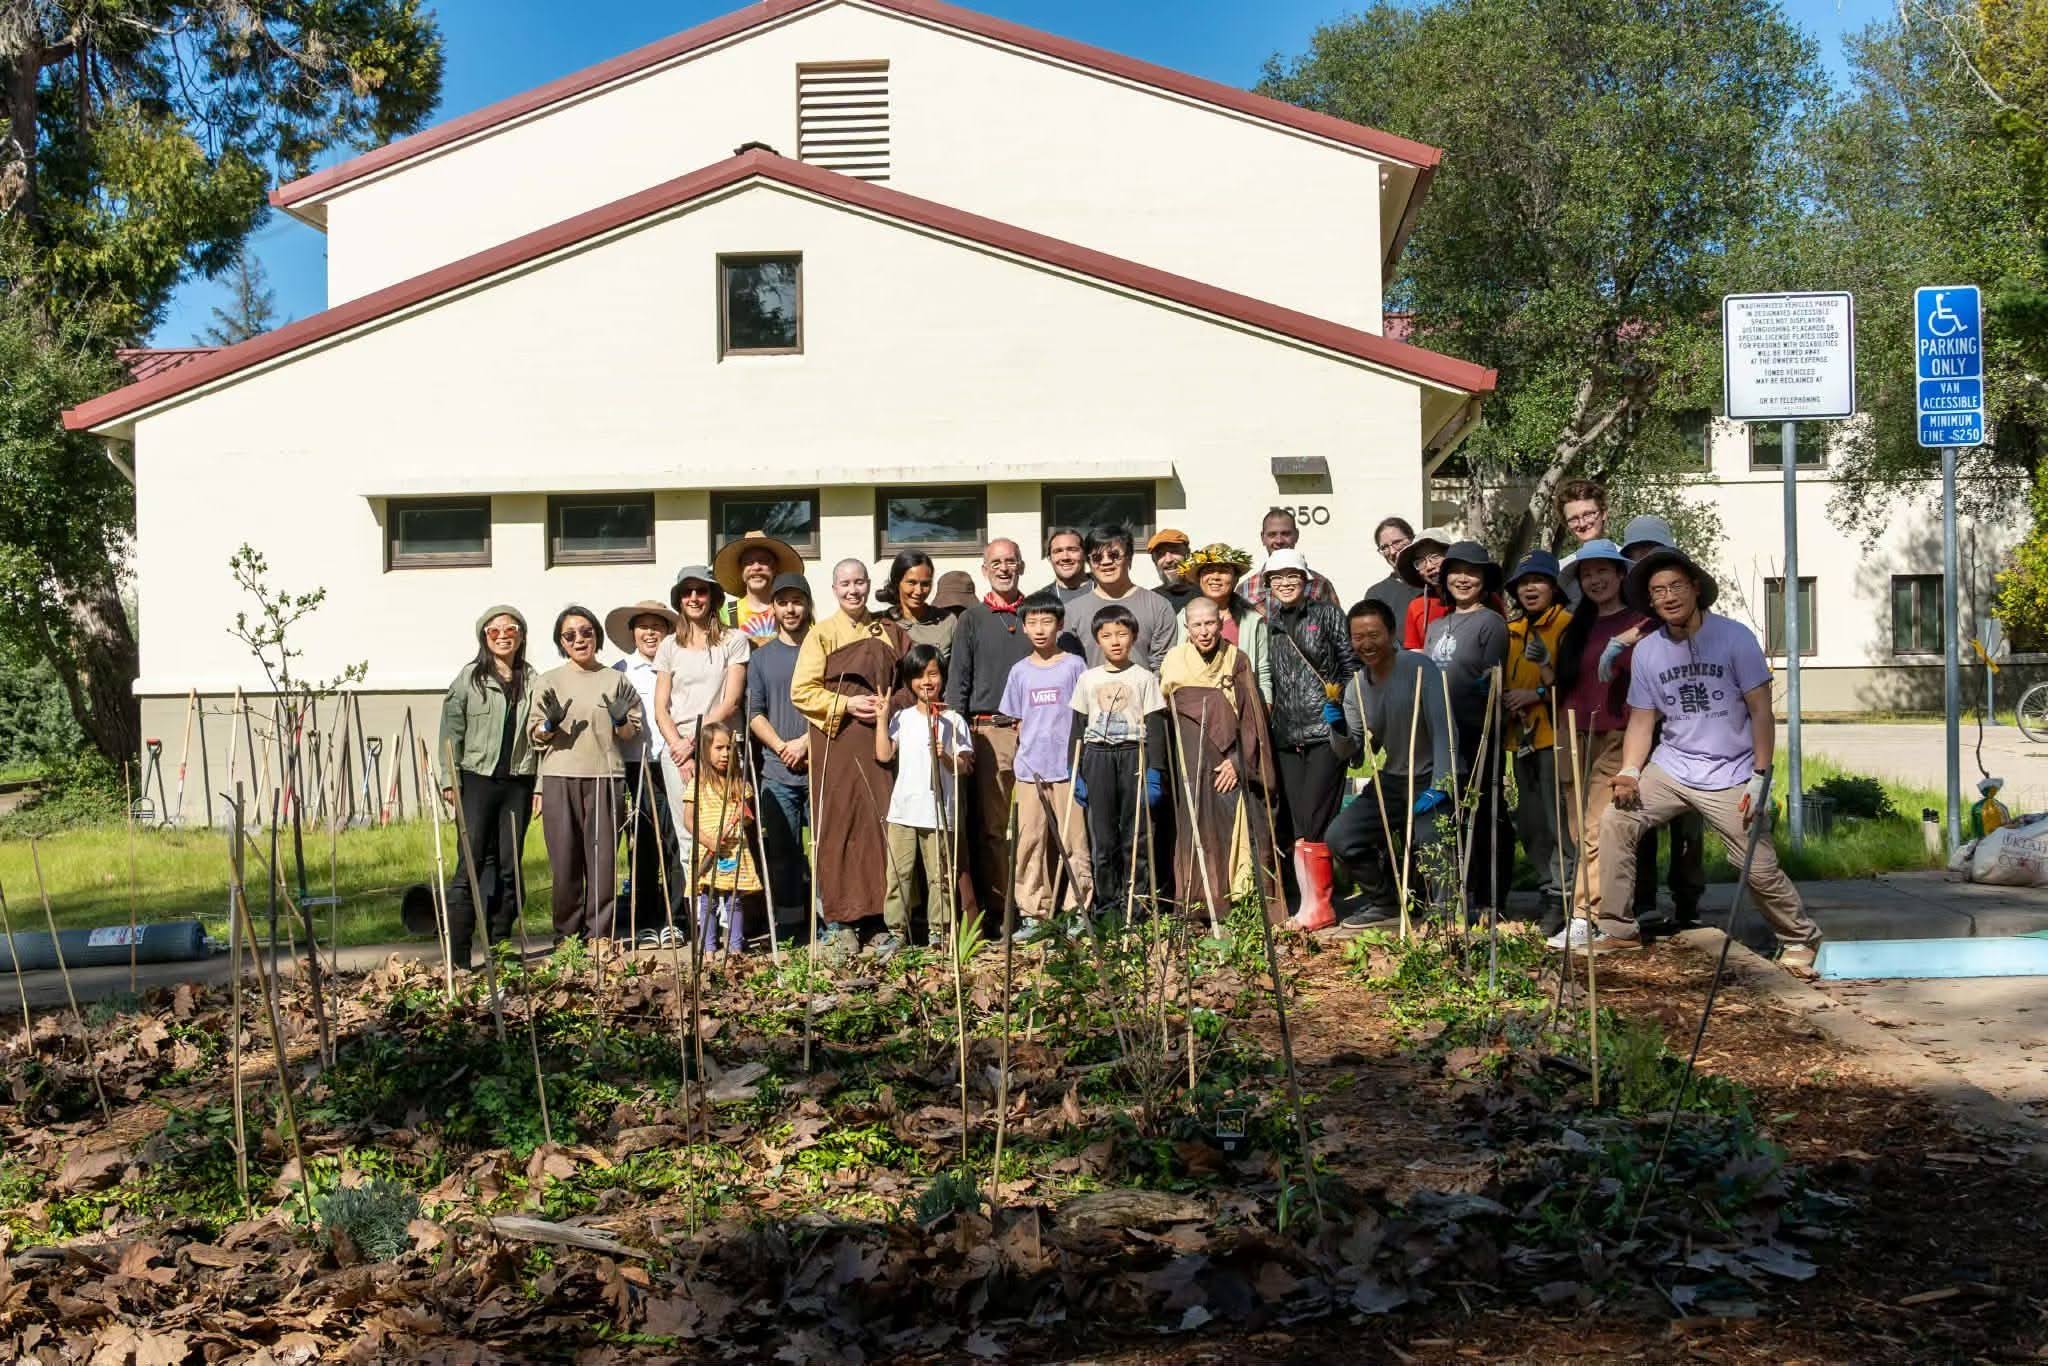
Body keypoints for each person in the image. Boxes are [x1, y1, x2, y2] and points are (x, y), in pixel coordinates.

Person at [1600, 547, 1824, 974]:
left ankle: (1799, 938)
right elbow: (1642, 720)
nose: (1668, 597)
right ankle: (1619, 930)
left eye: (1676, 587)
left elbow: (1760, 710)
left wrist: (1760, 776)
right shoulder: (1648, 652)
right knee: (1617, 820)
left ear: (1695, 588)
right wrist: (1630, 771)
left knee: (1754, 866)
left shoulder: (1734, 637)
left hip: (1731, 773)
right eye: (1657, 591)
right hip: (1672, 767)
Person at [791, 558, 910, 950]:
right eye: (845, 584)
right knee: (839, 826)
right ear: (834, 589)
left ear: (868, 584)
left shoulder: (887, 630)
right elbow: (802, 691)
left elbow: (910, 680)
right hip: (837, 742)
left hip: (880, 740)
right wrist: (846, 704)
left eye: (860, 583)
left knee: (879, 825)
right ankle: (842, 920)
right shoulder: (821, 634)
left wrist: (887, 707)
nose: (853, 591)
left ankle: (878, 917)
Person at [1326, 597, 1454, 927]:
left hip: (1428, 778)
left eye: (1374, 634)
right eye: (1358, 637)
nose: (1366, 644)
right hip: (1393, 780)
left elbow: (1444, 729)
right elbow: (1351, 753)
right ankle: (1384, 902)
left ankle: (1445, 914)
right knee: (1341, 835)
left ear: (1392, 633)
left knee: (1429, 839)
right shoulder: (1355, 688)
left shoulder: (1418, 668)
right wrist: (1338, 728)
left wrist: (1442, 785)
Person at [1549, 539, 1649, 948]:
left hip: (1617, 732)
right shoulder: (1577, 624)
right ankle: (1592, 911)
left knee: (1596, 826)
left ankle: (1587, 915)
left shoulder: (1643, 622)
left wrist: (1626, 643)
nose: (1595, 580)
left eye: (1602, 571)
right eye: (1587, 574)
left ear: (1621, 574)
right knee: (1577, 829)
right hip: (1572, 731)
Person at [529, 605, 642, 945]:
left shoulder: (616, 680)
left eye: (586, 632)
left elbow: (630, 733)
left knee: (603, 861)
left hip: (605, 777)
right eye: (570, 635)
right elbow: (535, 735)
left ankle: (600, 937)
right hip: (560, 776)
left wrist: (621, 720)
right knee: (565, 863)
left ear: (597, 636)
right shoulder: (549, 681)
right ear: (561, 642)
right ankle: (567, 936)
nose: (579, 639)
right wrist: (549, 724)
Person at [1616, 513, 1706, 932]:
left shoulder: (1690, 608)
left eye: (1649, 552)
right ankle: (1645, 900)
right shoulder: (1632, 612)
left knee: (1690, 823)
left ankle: (1688, 902)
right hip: (1643, 729)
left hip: (1694, 734)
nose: (1641, 561)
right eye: (1634, 556)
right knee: (1640, 815)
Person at [1159, 595, 1276, 919]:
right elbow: (1168, 713)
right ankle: (1198, 904)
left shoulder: (1237, 659)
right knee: (1195, 827)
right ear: (1187, 628)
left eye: (1210, 623)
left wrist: (1239, 760)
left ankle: (1236, 903)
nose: (1204, 631)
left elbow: (1252, 715)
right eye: (1197, 625)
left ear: (1221, 623)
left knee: (1233, 823)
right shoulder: (1174, 660)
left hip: (1229, 758)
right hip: (1192, 759)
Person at [437, 605, 540, 968]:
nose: (502, 636)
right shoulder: (469, 679)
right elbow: (451, 731)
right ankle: (460, 955)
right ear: (484, 637)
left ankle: (498, 946)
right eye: (493, 631)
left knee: (510, 865)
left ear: (521, 636)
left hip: (518, 783)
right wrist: (450, 779)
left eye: (510, 629)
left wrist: (538, 786)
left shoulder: (533, 680)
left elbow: (541, 737)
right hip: (476, 781)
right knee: (471, 863)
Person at [1260, 548, 1357, 932]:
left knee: (1318, 819)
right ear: (1268, 585)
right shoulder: (1268, 624)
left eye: (1292, 576)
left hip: (1324, 730)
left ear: (1306, 580)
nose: (1284, 584)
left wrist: (1346, 715)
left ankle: (1320, 905)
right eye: (1276, 578)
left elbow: (1350, 666)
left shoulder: (1328, 615)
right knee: (1299, 822)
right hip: (1286, 732)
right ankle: (1307, 904)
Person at [1424, 542, 1514, 924]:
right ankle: (1451, 894)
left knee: (1485, 813)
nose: (1463, 578)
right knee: (1450, 815)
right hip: (1441, 735)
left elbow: (1492, 677)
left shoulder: (1491, 622)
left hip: (1477, 732)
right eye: (1455, 571)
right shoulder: (1435, 625)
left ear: (1484, 580)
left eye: (1472, 572)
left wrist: (1482, 691)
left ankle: (1490, 897)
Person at [948, 539, 1035, 928]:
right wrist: (959, 735)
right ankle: (1002, 909)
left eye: (1011, 561)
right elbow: (958, 681)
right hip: (989, 730)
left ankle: (1036, 905)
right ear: (985, 569)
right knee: (993, 828)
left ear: (1022, 566)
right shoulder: (972, 619)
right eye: (996, 562)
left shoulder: (1038, 613)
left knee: (1035, 824)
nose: (1004, 568)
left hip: (1036, 730)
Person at [1069, 603, 1169, 920]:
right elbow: (1077, 727)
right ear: (1097, 639)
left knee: (1135, 834)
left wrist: (1155, 771)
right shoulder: (1088, 679)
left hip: (1132, 754)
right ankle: (1108, 905)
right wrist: (1078, 771)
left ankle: (1136, 905)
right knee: (1103, 837)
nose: (1115, 641)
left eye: (1122, 634)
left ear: (1133, 637)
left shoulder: (1144, 679)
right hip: (1097, 757)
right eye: (1107, 635)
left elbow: (1154, 727)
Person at [1000, 591, 1092, 934]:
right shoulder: (1019, 672)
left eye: (1047, 621)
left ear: (1060, 625)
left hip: (1068, 767)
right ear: (1023, 627)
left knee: (1075, 842)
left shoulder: (1074, 666)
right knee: (1030, 843)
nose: (1040, 629)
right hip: (1029, 771)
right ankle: (1033, 912)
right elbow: (1016, 721)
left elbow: (1083, 714)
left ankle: (1077, 909)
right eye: (1032, 622)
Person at [653, 565, 749, 888]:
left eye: (701, 591)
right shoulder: (669, 646)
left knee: (727, 827)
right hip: (679, 750)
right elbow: (660, 707)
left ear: (714, 597)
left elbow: (730, 702)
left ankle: (729, 917)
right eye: (687, 592)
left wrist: (693, 742)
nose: (694, 598)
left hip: (719, 747)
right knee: (688, 831)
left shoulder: (733, 640)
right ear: (679, 600)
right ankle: (700, 917)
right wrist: (680, 749)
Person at [875, 644, 975, 956]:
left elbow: (967, 766)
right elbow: (883, 755)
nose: (926, 682)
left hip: (939, 813)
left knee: (940, 877)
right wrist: (881, 718)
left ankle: (939, 933)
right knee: (898, 875)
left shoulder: (953, 720)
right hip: (903, 810)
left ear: (942, 677)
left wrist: (946, 758)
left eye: (932, 674)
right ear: (909, 681)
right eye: (918, 676)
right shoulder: (902, 718)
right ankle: (896, 932)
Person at [744, 572, 814, 940]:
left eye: (797, 601)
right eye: (783, 602)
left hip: (820, 766)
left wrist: (806, 742)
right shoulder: (762, 657)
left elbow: (832, 705)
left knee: (824, 849)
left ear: (808, 604)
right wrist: (782, 746)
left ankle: (828, 921)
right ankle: (789, 924)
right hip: (777, 770)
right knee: (783, 852)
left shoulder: (822, 649)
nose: (791, 609)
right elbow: (754, 711)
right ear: (773, 607)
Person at [605, 598, 679, 943]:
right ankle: (645, 918)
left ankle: (676, 917)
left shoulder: (677, 664)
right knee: (643, 843)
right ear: (633, 633)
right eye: (643, 627)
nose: (650, 633)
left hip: (675, 760)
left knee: (676, 840)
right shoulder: (619, 671)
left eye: (657, 627)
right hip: (636, 764)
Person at [1503, 551, 1572, 917]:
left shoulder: (1567, 626)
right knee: (1530, 823)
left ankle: (1565, 894)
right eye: (1523, 583)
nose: (1530, 588)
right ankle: (1548, 886)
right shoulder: (1512, 630)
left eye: (1539, 581)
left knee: (1557, 820)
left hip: (1554, 738)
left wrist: (1538, 694)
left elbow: (1574, 685)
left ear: (1554, 586)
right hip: (1521, 739)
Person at [682, 721, 760, 957]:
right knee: (709, 901)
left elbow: (747, 817)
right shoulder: (698, 784)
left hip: (734, 851)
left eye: (729, 748)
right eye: (718, 748)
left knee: (734, 900)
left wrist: (742, 816)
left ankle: (736, 947)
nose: (725, 753)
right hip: (710, 852)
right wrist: (707, 840)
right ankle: (709, 948)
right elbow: (688, 820)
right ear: (705, 750)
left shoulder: (738, 783)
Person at [1063, 524, 1179, 671]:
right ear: (1089, 563)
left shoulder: (1158, 606)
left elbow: (1163, 666)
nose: (1106, 562)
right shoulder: (1072, 612)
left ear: (1129, 558)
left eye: (1114, 555)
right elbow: (1068, 669)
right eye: (1097, 557)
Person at [1175, 543, 1270, 696]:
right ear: (1200, 578)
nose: (1215, 577)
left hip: (1240, 705)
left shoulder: (1252, 621)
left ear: (1236, 578)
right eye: (1208, 571)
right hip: (1195, 706)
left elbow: (1263, 673)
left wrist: (1264, 710)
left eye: (1224, 571)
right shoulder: (1182, 617)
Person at [713, 530, 804, 646]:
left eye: (764, 561)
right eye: (748, 562)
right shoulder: (725, 614)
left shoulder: (792, 611)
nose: (756, 567)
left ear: (775, 568)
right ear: (741, 571)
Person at [1240, 509, 1341, 610]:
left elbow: (1335, 623)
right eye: (1272, 534)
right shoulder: (1246, 589)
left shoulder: (1320, 585)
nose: (1279, 541)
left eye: (1286, 534)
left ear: (1296, 535)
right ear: (1263, 538)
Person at [878, 550, 958, 659]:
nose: (919, 591)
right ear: (897, 582)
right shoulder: (883, 623)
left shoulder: (947, 622)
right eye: (911, 582)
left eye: (925, 584)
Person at [1396, 527, 1454, 649]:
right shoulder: (1417, 606)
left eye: (1435, 557)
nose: (1429, 566)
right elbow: (1415, 654)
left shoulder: (1481, 598)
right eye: (1420, 562)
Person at [1364, 517, 1420, 620]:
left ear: (1412, 540)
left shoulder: (1431, 583)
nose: (1392, 552)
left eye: (1397, 542)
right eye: (1384, 547)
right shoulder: (1376, 594)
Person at [1147, 529, 1200, 611]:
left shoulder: (1206, 594)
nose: (1168, 560)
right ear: (1154, 561)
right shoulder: (1149, 601)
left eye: (1174, 551)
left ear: (1188, 555)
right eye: (1161, 553)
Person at [1042, 526, 1094, 602]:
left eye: (1072, 550)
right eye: (1058, 551)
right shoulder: (1042, 600)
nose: (1065, 557)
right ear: (1049, 558)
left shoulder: (1106, 588)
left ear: (1084, 555)